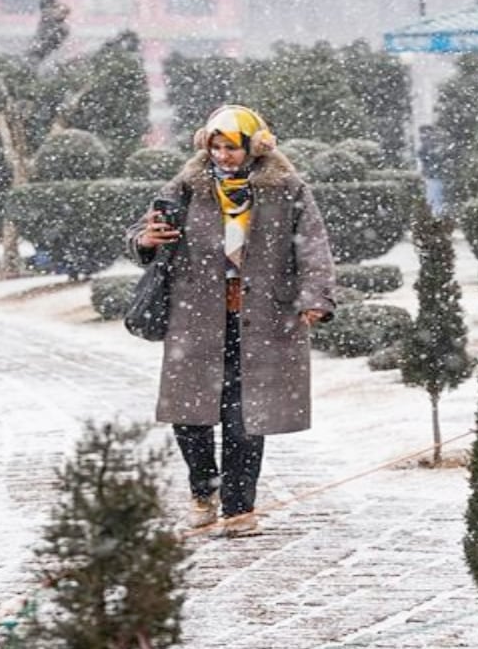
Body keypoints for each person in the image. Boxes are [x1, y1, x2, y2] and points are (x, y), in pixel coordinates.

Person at [127, 105, 336, 538]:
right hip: (195, 316)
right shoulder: (187, 185)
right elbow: (142, 230)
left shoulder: (287, 188)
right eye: (216, 147)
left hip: (262, 318)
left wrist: (315, 297)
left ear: (255, 146)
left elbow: (313, 246)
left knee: (244, 418)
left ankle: (240, 509)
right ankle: (203, 490)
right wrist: (145, 238)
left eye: (232, 148)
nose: (223, 156)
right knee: (191, 415)